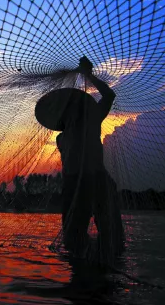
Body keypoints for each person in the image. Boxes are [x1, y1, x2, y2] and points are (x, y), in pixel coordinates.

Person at [57, 56, 124, 263]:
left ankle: (102, 268)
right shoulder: (65, 135)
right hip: (76, 185)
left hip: (95, 181)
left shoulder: (90, 121)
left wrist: (88, 76)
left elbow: (109, 94)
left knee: (111, 236)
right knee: (73, 240)